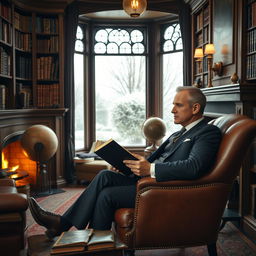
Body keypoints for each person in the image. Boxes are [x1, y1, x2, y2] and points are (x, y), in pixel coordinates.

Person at [28, 86, 222, 240]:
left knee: (107, 196)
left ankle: (82, 237)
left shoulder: (207, 132)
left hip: (164, 189)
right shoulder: (178, 133)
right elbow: (150, 162)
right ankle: (77, 232)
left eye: (178, 105)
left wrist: (151, 168)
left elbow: (194, 167)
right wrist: (128, 166)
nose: (172, 110)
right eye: (173, 104)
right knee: (105, 175)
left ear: (195, 108)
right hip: (149, 181)